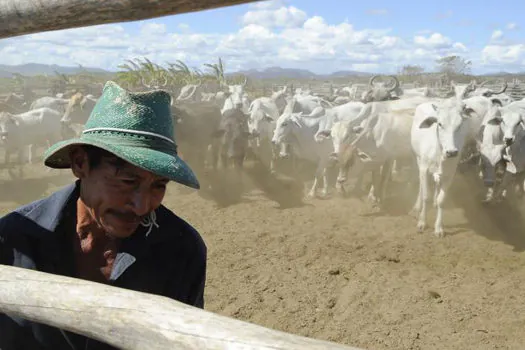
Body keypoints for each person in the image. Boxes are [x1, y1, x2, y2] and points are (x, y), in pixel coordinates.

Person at [0, 81, 207, 350]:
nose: (142, 206)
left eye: (159, 185)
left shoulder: (181, 249)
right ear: (80, 163)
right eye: (127, 181)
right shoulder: (12, 240)